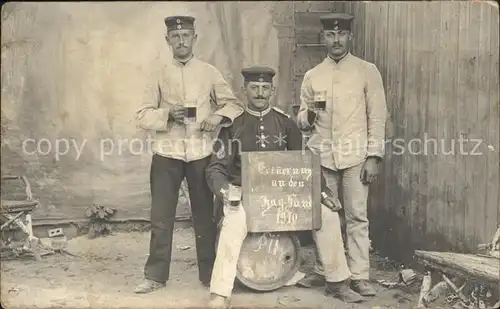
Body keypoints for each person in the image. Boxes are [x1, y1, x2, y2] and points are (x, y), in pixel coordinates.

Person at [205, 66, 365, 308]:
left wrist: (322, 193)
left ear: (272, 90)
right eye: (254, 88)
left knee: (327, 215)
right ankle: (220, 293)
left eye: (265, 88)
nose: (260, 93)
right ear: (244, 89)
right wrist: (227, 191)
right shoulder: (233, 126)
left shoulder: (285, 123)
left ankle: (338, 282)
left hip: (284, 200)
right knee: (233, 222)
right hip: (247, 198)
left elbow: (305, 162)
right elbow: (215, 168)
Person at [134, 15, 245, 294]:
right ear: (168, 40)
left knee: (205, 216)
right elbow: (142, 116)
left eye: (186, 36)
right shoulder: (157, 73)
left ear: (195, 38)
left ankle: (210, 274)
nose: (181, 41)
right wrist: (166, 114)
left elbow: (234, 105)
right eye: (175, 36)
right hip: (166, 152)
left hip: (200, 153)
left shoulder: (209, 72)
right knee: (161, 217)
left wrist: (218, 117)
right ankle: (155, 276)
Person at [296, 13, 388, 297]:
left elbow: (377, 116)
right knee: (323, 216)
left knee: (357, 216)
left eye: (341, 35)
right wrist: (307, 114)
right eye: (330, 35)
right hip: (322, 157)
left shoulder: (366, 70)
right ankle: (326, 271)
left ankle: (360, 275)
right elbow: (301, 119)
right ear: (323, 38)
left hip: (355, 157)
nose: (336, 40)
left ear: (350, 36)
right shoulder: (313, 76)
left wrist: (373, 156)